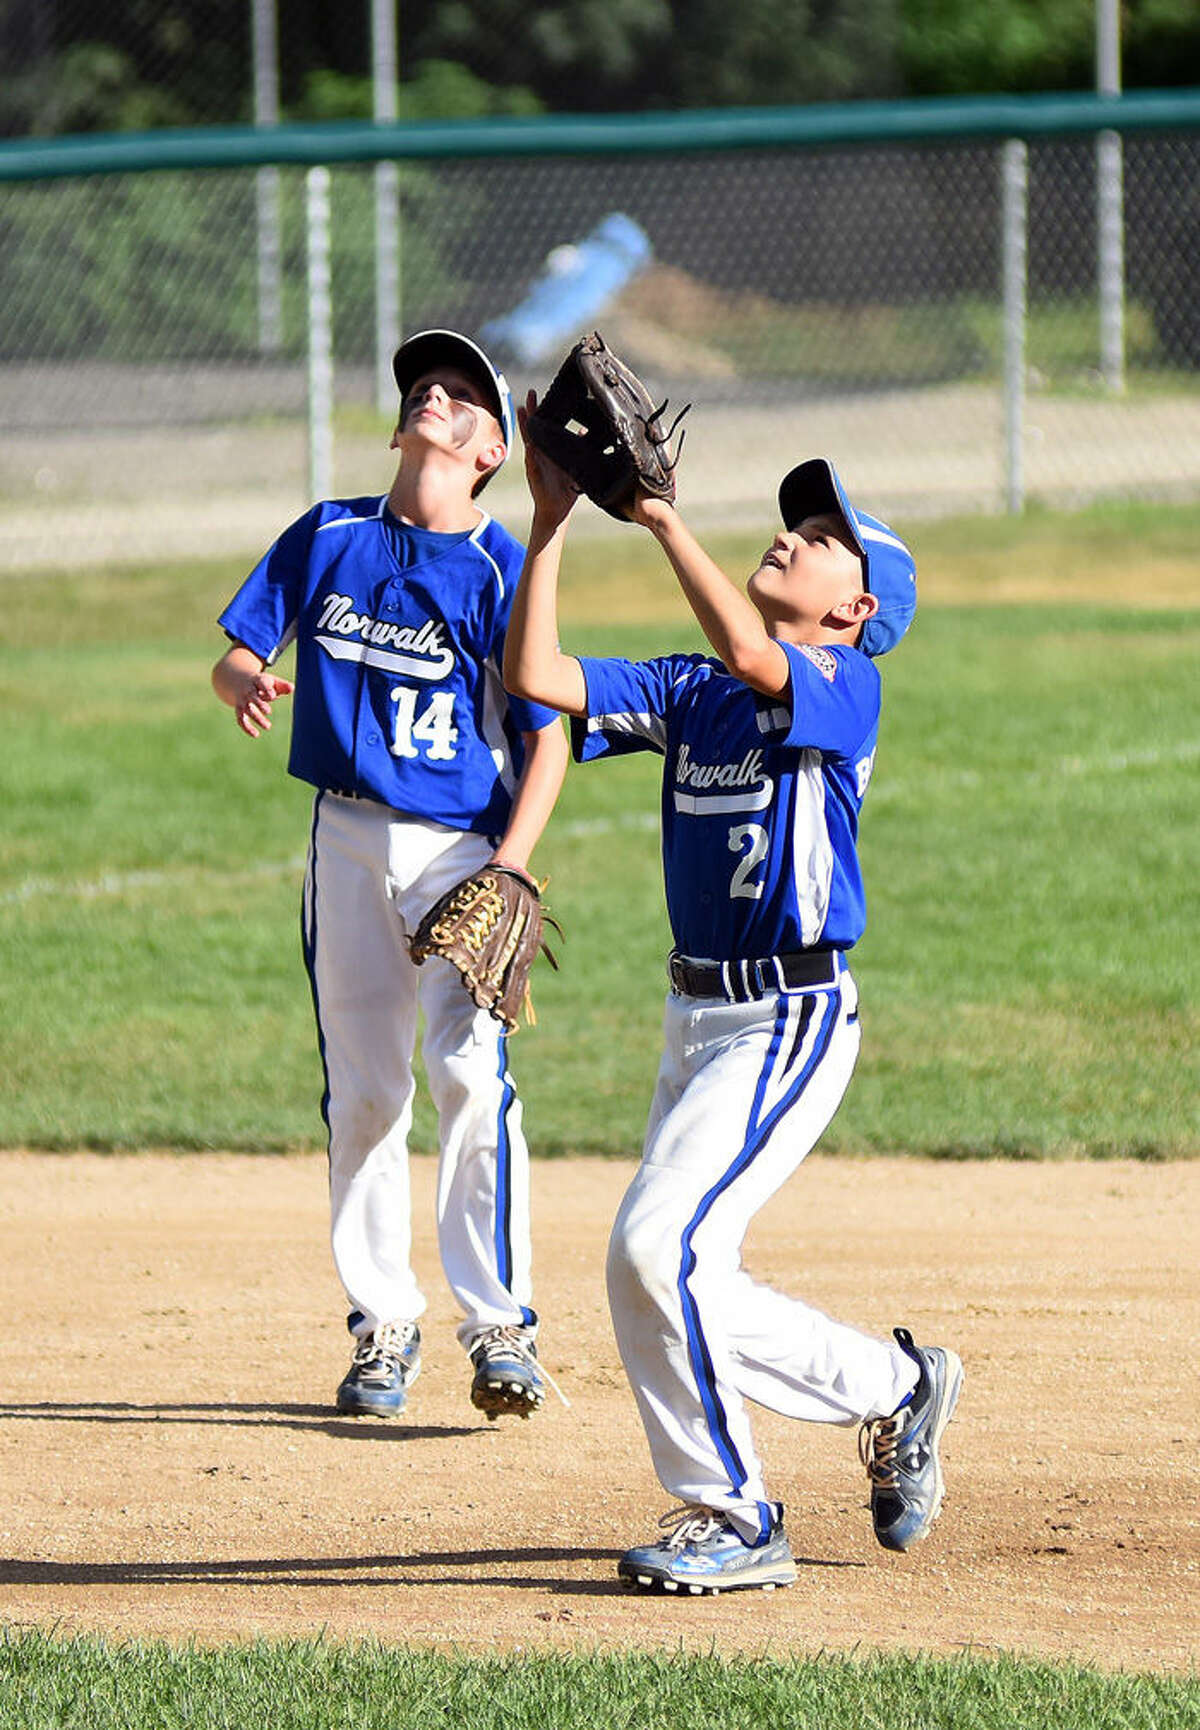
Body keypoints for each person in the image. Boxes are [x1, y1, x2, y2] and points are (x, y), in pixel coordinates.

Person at [504, 407, 963, 1592]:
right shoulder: (692, 691)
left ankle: (737, 1513)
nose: (794, 537)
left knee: (659, 1244)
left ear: (855, 610)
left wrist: (658, 516)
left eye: (821, 538)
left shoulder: (841, 686)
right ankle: (898, 1386)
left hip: (790, 1017)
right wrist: (548, 525)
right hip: (694, 1017)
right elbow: (540, 677)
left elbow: (763, 661)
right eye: (797, 522)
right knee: (664, 1267)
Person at [212, 331, 569, 1424]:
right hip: (344, 835)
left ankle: (500, 1322)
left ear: (493, 448)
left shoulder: (506, 569)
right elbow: (237, 645)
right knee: (366, 1089)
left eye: (466, 394)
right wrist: (243, 676)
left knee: (469, 1075)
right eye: (429, 381)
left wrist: (512, 864)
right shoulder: (329, 533)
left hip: (462, 849)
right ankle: (382, 1323)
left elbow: (547, 734)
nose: (439, 394)